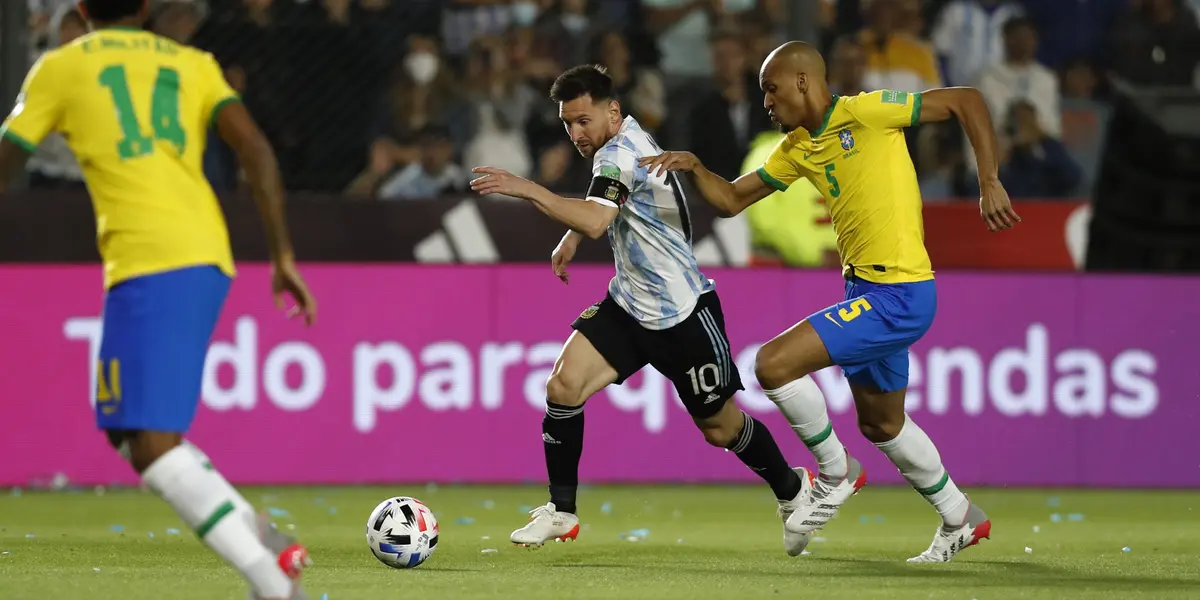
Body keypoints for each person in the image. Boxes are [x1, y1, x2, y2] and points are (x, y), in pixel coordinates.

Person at [639, 41, 1020, 563]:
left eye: (771, 89)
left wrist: (989, 180)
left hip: (900, 293)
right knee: (882, 423)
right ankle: (960, 517)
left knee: (771, 364)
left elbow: (967, 100)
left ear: (802, 81)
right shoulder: (796, 147)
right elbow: (731, 200)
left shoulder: (866, 112)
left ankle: (835, 471)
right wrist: (696, 167)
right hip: (865, 289)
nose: (766, 102)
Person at [0, 1, 318, 597]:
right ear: (146, 8)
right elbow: (257, 152)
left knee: (149, 442)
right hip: (198, 252)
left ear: (80, 9)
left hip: (154, 258)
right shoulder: (192, 63)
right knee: (126, 430)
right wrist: (281, 256)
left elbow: (10, 152)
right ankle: (263, 539)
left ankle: (270, 581)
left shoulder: (61, 67)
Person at [468, 64, 815, 555]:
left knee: (721, 428)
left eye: (583, 120)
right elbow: (609, 208)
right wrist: (570, 234)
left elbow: (596, 217)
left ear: (612, 111)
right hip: (630, 305)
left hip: (683, 313)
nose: (576, 133)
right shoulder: (626, 138)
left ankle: (793, 489)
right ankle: (561, 512)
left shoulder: (620, 153)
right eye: (568, 123)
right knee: (563, 386)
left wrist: (528, 189)